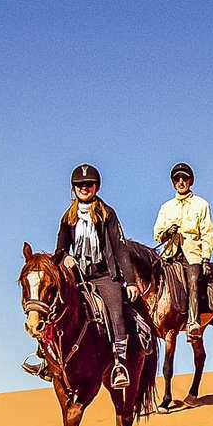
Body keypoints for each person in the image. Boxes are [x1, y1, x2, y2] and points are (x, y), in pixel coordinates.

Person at [51, 163, 138, 389]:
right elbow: (59, 248)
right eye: (79, 185)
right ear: (73, 188)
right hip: (77, 277)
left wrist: (129, 281)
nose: (84, 188)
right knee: (54, 306)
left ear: (96, 187)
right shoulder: (67, 217)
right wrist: (64, 258)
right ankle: (47, 358)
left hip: (103, 275)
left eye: (88, 184)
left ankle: (120, 364)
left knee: (115, 310)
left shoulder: (107, 214)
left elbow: (120, 248)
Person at [153, 162, 213, 337]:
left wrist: (205, 258)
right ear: (173, 182)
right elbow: (157, 234)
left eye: (184, 178)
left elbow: (208, 232)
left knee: (193, 281)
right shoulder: (166, 207)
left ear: (190, 181)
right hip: (170, 255)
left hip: (192, 254)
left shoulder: (201, 204)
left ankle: (194, 322)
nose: (181, 182)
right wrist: (167, 233)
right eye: (177, 179)